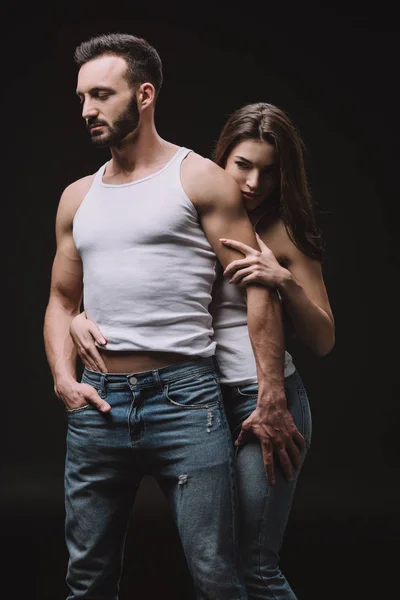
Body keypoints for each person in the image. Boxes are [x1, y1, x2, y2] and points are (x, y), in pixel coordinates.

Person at [43, 32, 305, 600]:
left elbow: (256, 286)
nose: (87, 110)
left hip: (185, 400)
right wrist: (64, 379)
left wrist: (271, 395)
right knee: (85, 577)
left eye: (102, 95)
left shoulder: (199, 179)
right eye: (83, 97)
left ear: (143, 95)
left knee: (216, 573)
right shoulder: (76, 197)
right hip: (98, 404)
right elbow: (62, 300)